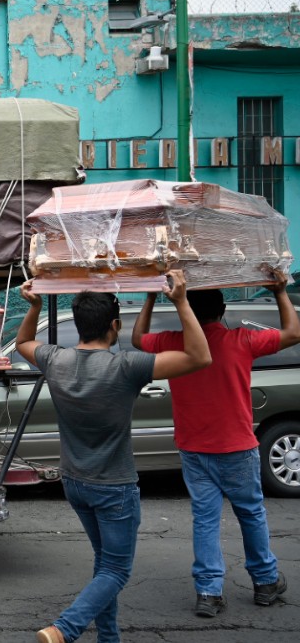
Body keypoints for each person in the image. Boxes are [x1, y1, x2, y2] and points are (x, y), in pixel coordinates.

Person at [17, 270, 211, 643]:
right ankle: (65, 629)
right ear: (115, 325)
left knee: (104, 564)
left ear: (78, 325)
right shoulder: (127, 366)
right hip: (114, 487)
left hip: (75, 482)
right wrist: (181, 301)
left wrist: (35, 306)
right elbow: (200, 357)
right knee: (117, 570)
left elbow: (23, 341)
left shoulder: (55, 359)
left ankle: (109, 637)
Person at [132, 275, 298, 617]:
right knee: (251, 514)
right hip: (237, 445)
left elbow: (137, 339)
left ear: (186, 311)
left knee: (205, 519)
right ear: (222, 311)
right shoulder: (243, 339)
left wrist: (150, 298)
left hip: (194, 448)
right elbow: (293, 333)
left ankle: (208, 592)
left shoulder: (173, 342)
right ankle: (265, 583)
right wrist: (280, 291)